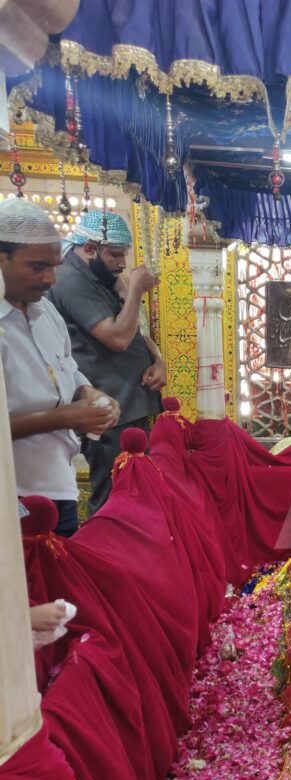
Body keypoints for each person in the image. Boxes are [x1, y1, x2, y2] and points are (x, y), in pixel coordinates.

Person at [0, 198, 119, 536]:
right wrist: (66, 417)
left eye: (54, 266)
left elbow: (68, 368)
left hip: (58, 485)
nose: (50, 278)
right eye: (37, 266)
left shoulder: (45, 312)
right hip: (13, 495)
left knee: (59, 588)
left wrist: (89, 393)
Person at [48, 210, 166, 514]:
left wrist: (158, 358)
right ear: (89, 248)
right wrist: (136, 289)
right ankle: (107, 559)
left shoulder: (97, 276)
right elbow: (117, 337)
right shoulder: (71, 280)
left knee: (135, 492)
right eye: (114, 255)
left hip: (127, 402)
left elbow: (132, 330)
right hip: (106, 408)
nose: (122, 263)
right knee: (114, 499)